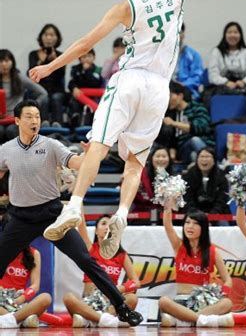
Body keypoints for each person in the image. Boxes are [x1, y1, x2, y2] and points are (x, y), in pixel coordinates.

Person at [29, 0, 237, 260]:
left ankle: (75, 205)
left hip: (129, 79)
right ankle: (123, 214)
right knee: (136, 159)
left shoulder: (127, 6)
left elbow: (83, 45)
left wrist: (50, 65)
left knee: (98, 144)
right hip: (159, 88)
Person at [0, 100, 142, 326]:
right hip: (20, 217)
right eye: (28, 116)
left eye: (37, 116)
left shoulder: (51, 145)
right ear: (17, 120)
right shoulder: (6, 149)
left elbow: (76, 163)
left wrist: (88, 156)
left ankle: (121, 307)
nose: (34, 120)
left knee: (86, 259)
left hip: (52, 214)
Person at [159, 205, 234, 327]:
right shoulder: (178, 245)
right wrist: (168, 206)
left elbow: (227, 279)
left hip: (203, 302)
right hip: (181, 301)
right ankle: (204, 321)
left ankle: (183, 321)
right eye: (187, 222)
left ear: (203, 228)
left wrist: (224, 293)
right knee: (163, 301)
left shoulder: (212, 251)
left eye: (195, 223)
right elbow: (168, 225)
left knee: (227, 303)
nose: (189, 226)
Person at [63, 214, 140, 328]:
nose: (107, 227)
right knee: (68, 297)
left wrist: (119, 288)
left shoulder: (122, 255)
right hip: (89, 302)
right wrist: (78, 198)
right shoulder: (90, 248)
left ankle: (92, 320)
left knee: (132, 298)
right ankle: (106, 321)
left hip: (111, 304)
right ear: (96, 232)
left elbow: (136, 282)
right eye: (103, 224)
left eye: (110, 226)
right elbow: (81, 224)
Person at [0, 49, 47, 143]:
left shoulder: (19, 78)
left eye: (7, 61)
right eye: (1, 61)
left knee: (11, 130)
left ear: (12, 62)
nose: (4, 64)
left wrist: (29, 108)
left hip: (16, 118)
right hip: (1, 119)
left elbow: (43, 93)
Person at [162, 82, 214, 164]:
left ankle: (206, 160)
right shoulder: (171, 114)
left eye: (170, 96)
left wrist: (174, 123)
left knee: (194, 150)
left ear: (180, 96)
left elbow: (201, 127)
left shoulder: (197, 107)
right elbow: (172, 140)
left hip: (203, 143)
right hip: (183, 149)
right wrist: (172, 155)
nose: (168, 100)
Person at [0, 246, 51, 328]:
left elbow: (35, 285)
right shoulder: (3, 247)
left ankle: (16, 320)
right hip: (1, 298)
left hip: (18, 300)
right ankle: (24, 320)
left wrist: (20, 299)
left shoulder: (34, 253)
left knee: (46, 298)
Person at [28, 24, 66, 127]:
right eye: (46, 35)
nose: (49, 38)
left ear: (57, 38)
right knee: (43, 97)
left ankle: (57, 124)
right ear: (41, 37)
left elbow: (61, 75)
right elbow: (31, 73)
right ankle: (42, 123)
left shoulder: (61, 55)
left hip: (56, 89)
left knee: (56, 97)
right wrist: (42, 60)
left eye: (52, 35)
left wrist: (55, 61)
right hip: (39, 89)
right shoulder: (33, 54)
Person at [207, 21, 246, 95]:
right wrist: (226, 82)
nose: (232, 35)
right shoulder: (217, 52)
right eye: (229, 32)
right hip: (221, 88)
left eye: (236, 32)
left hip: (242, 87)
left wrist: (244, 82)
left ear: (240, 35)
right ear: (225, 35)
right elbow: (212, 76)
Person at [182, 147, 229, 216]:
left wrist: (212, 215)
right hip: (193, 213)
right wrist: (198, 215)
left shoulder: (221, 176)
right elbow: (187, 199)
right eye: (201, 157)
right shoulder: (189, 175)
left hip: (217, 214)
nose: (204, 159)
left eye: (207, 157)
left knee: (224, 225)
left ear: (214, 160)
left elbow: (222, 200)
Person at [68, 49, 104, 127]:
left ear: (94, 57)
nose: (86, 59)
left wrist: (86, 71)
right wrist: (74, 88)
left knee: (95, 102)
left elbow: (95, 83)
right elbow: (72, 82)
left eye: (89, 56)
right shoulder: (75, 69)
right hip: (78, 94)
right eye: (83, 56)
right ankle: (75, 121)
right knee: (74, 101)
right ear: (79, 58)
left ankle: (94, 123)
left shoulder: (98, 70)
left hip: (93, 94)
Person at [133, 145, 172, 210]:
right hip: (143, 213)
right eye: (158, 156)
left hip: (165, 213)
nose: (161, 159)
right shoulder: (141, 174)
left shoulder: (174, 178)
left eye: (164, 156)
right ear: (151, 158)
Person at [174, 23, 204, 100]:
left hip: (186, 89)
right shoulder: (161, 54)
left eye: (179, 32)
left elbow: (197, 77)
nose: (176, 35)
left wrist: (182, 85)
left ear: (183, 34)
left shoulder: (193, 55)